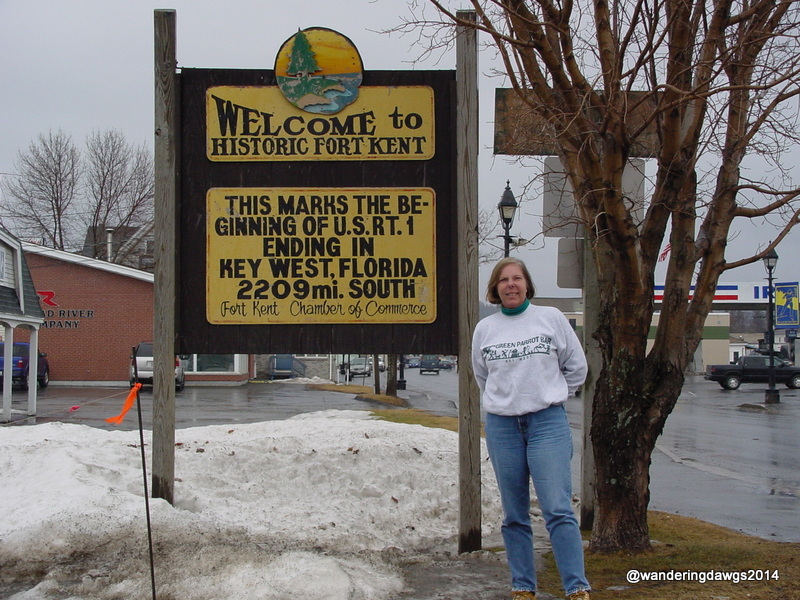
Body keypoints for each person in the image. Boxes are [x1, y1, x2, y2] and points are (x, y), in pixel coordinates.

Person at [471, 257, 591, 600]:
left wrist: (554, 396)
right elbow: (483, 376)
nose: (511, 284)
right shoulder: (486, 329)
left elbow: (576, 366)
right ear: (495, 288)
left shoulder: (549, 318)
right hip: (502, 428)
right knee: (514, 514)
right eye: (504, 280)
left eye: (517, 278)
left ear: (527, 284)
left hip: (547, 424)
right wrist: (507, 402)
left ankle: (576, 587)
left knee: (557, 507)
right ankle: (523, 586)